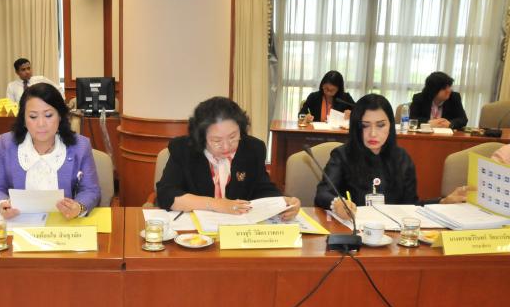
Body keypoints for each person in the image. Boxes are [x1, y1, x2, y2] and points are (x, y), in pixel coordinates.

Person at [315, 94, 468, 218]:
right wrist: (337, 204)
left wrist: (442, 202)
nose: (373, 133)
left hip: (391, 236)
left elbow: (411, 206)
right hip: (352, 232)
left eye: (381, 125)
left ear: (391, 126)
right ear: (356, 127)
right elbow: (323, 194)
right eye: (365, 126)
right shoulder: (342, 155)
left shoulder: (402, 158)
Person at [156, 96, 300, 219]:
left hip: (239, 231)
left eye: (232, 137)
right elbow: (166, 194)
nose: (226, 147)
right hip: (195, 233)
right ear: (201, 137)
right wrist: (216, 204)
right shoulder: (184, 149)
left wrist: (282, 203)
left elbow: (262, 189)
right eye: (216, 140)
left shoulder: (253, 149)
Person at [0, 82, 100, 219]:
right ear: (23, 119)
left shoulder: (80, 146)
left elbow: (90, 190)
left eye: (48, 115)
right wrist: (1, 204)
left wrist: (79, 207)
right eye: (33, 117)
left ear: (60, 116)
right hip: (19, 222)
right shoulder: (6, 144)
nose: (41, 124)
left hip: (64, 223)